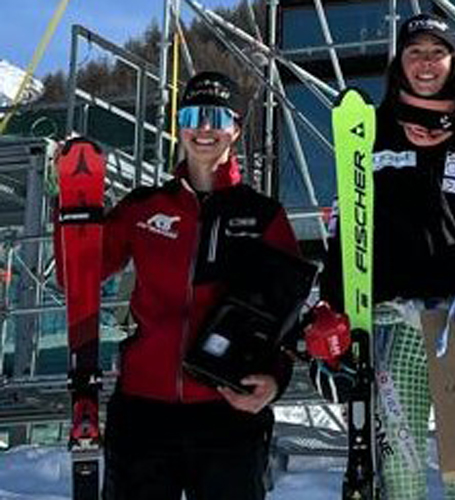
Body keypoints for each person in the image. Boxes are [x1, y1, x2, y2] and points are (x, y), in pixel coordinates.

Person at [307, 13, 455, 500]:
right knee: (400, 474)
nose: (426, 63)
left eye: (437, 52)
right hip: (394, 322)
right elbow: (345, 232)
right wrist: (329, 312)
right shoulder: (371, 131)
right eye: (415, 53)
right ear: (400, 63)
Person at [55, 71, 300, 500]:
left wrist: (276, 379)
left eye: (216, 117)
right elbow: (78, 276)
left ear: (236, 128)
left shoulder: (263, 215)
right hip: (145, 410)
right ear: (179, 125)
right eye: (192, 115)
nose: (204, 129)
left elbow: (286, 312)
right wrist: (73, 210)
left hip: (228, 409)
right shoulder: (143, 208)